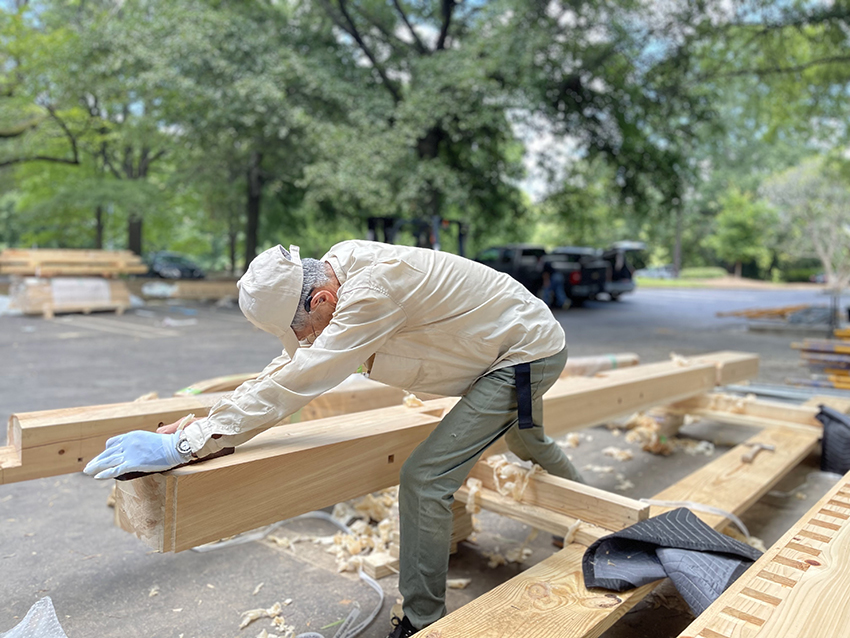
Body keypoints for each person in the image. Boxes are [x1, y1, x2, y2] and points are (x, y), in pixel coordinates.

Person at [85, 240, 582, 638]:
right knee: (528, 443)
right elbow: (292, 364)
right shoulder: (332, 274)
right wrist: (204, 429)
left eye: (305, 329)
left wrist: (186, 446)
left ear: (321, 300)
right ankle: (586, 521)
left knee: (425, 477)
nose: (305, 340)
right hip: (498, 343)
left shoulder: (371, 293)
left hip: (522, 354)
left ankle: (421, 622)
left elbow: (300, 380)